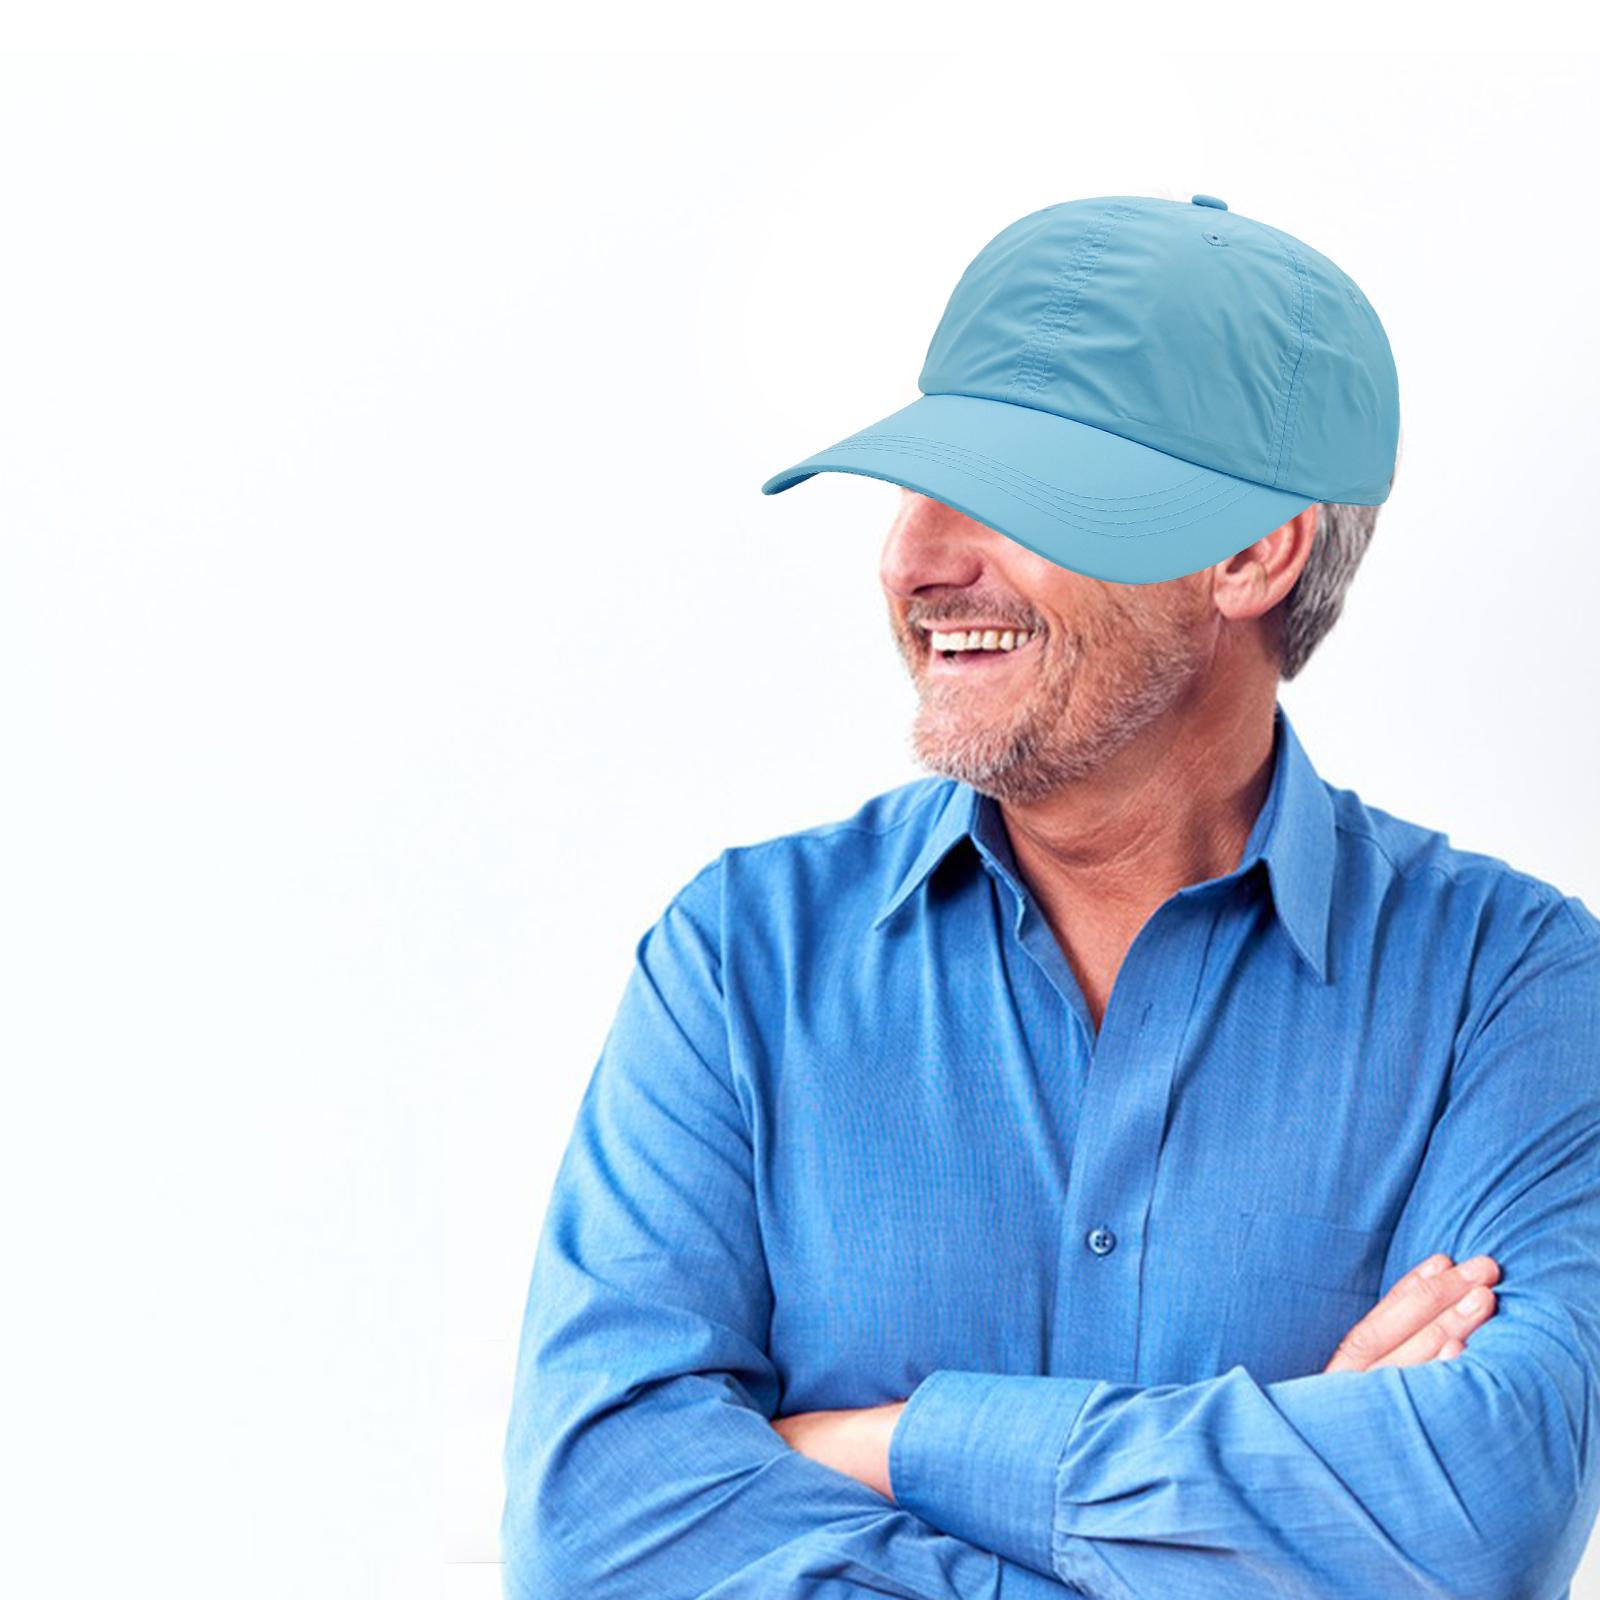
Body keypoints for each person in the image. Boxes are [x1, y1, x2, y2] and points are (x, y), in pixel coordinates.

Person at [500, 195, 1600, 1598]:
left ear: (1254, 551)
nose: (914, 560)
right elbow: (597, 1531)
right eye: (921, 481)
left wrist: (889, 1443)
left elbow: (1479, 1521)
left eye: (1021, 488)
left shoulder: (1510, 987)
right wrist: (1268, 1512)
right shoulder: (740, 958)